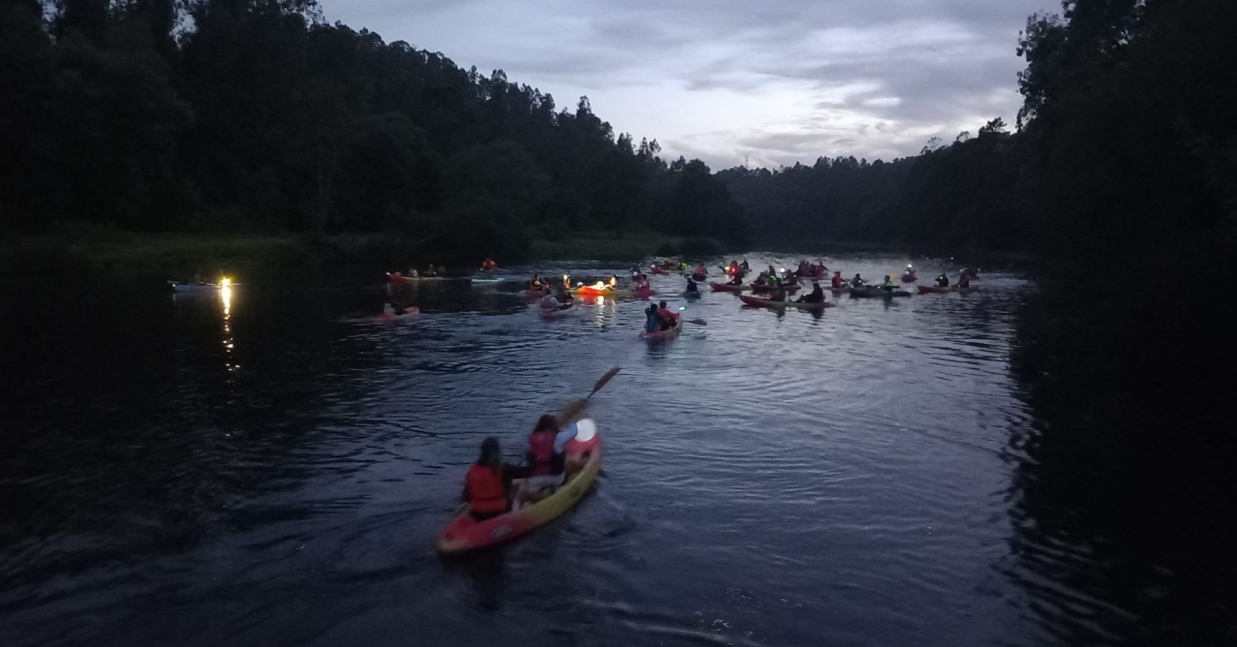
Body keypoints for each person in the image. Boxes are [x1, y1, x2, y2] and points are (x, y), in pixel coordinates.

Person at [523, 415, 580, 497]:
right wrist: (572, 422)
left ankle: (536, 493)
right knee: (569, 463)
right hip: (555, 478)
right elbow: (574, 432)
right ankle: (554, 489)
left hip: (534, 480)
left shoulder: (532, 437)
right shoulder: (559, 437)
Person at [462, 438, 519, 520]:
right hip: (499, 511)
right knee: (519, 491)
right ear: (498, 451)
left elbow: (466, 497)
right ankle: (516, 516)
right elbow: (529, 471)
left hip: (477, 513)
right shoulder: (505, 469)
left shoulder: (472, 471)